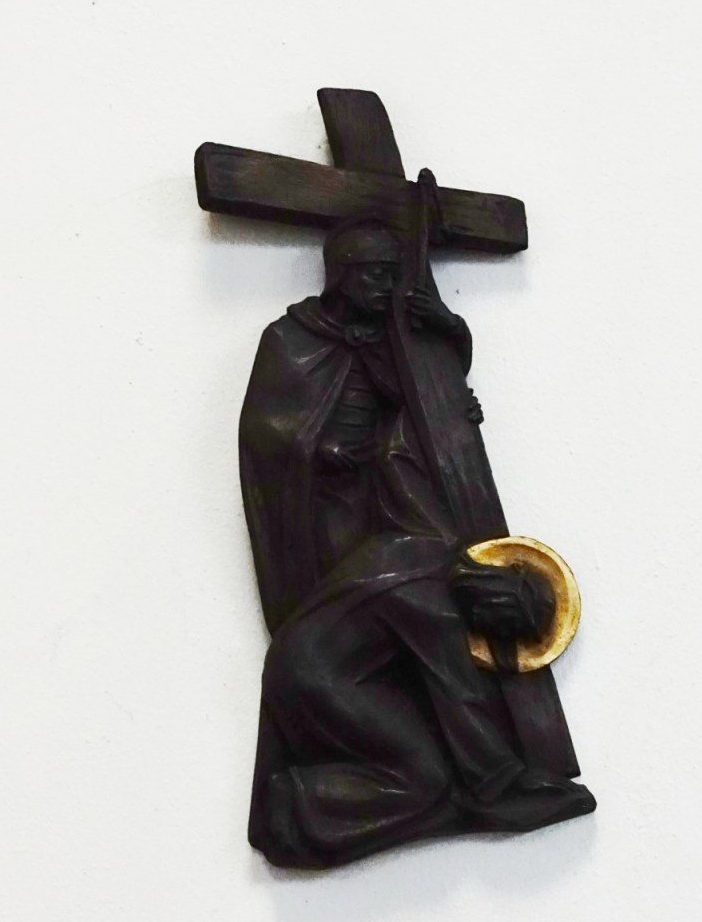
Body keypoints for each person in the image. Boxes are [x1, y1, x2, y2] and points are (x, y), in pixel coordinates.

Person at [239, 218, 595, 867]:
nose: (385, 286)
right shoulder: (420, 570)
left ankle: (306, 801)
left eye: (391, 274)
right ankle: (306, 805)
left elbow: (423, 395)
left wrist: (451, 356)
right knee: (430, 770)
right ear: (342, 274)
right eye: (375, 274)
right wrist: (502, 782)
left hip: (329, 632)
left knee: (424, 774)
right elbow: (267, 433)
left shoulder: (417, 555)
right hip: (325, 512)